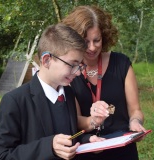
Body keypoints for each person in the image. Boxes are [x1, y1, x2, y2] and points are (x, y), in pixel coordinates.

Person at [0, 23, 103, 160]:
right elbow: (0, 155)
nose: (78, 73)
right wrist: (48, 147)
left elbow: (69, 136)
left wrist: (88, 140)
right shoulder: (15, 101)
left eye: (80, 66)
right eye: (72, 65)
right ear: (46, 60)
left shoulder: (68, 94)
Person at [62, 5, 146, 160]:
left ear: (104, 36)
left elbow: (135, 110)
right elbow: (75, 120)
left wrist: (135, 122)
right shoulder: (68, 72)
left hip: (123, 150)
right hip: (88, 150)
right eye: (85, 42)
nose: (92, 48)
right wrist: (93, 121)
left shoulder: (121, 64)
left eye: (97, 40)